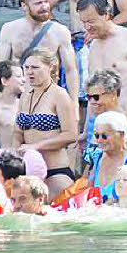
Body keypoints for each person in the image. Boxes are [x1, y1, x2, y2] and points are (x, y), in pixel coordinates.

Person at [0, 0, 79, 122]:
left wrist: (74, 104)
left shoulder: (60, 31)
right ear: (24, 6)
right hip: (19, 98)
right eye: (38, 3)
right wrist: (1, 104)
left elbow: (71, 71)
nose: (45, 6)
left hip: (50, 98)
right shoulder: (9, 29)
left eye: (46, 1)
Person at [78, 0, 127, 149]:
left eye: (91, 21)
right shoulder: (92, 45)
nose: (87, 27)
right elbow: (92, 93)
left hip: (123, 119)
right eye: (84, 22)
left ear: (107, 15)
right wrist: (85, 131)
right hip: (97, 124)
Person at [15, 48, 79, 199]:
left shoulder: (60, 95)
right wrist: (15, 153)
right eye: (27, 67)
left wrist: (37, 146)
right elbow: (18, 131)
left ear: (50, 67)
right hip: (28, 172)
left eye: (35, 67)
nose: (30, 72)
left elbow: (71, 135)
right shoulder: (25, 95)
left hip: (55, 170)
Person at [80, 69, 125, 173]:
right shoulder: (97, 119)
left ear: (113, 95)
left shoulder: (121, 122)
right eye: (89, 97)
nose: (92, 102)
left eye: (96, 97)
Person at [88, 110, 127, 202]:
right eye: (96, 135)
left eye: (104, 136)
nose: (99, 140)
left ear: (121, 135)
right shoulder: (97, 157)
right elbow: (89, 195)